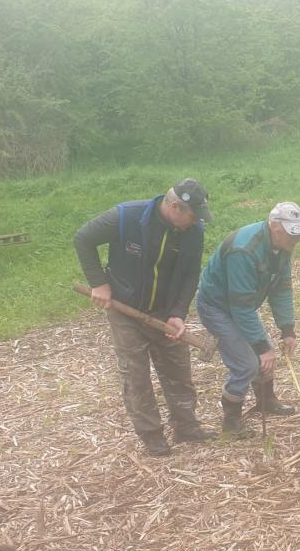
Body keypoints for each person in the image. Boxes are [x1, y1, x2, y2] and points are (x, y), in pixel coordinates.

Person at [74, 180, 214, 456]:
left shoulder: (193, 231)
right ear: (175, 207)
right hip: (125, 310)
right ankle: (152, 435)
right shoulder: (126, 217)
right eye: (193, 215)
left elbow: (190, 274)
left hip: (165, 312)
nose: (197, 221)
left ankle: (186, 427)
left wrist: (178, 313)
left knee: (178, 370)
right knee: (136, 376)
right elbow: (83, 239)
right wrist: (98, 283)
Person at [197, 202, 300, 434]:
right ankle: (231, 421)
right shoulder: (244, 251)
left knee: (265, 351)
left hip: (241, 305)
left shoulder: (282, 246)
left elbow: (281, 288)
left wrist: (287, 329)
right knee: (247, 364)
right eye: (294, 234)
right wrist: (261, 348)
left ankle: (266, 402)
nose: (299, 240)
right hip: (217, 307)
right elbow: (241, 308)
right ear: (275, 226)